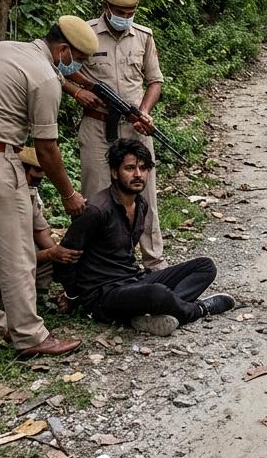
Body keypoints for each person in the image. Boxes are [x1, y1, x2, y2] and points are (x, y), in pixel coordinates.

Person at [0, 16, 96, 357]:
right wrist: (69, 194)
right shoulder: (45, 77)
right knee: (17, 254)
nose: (75, 68)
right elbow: (46, 148)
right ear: (62, 49)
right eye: (77, 60)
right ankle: (30, 336)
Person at [56, 139, 236, 336]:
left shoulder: (140, 204)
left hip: (134, 281)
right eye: (130, 168)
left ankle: (156, 311)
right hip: (103, 294)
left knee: (205, 266)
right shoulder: (97, 210)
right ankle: (197, 310)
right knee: (156, 292)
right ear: (115, 172)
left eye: (143, 168)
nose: (138, 175)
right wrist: (73, 295)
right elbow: (64, 256)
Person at [64, 0, 167, 269]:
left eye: (130, 11)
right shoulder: (85, 34)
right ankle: (93, 263)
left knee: (144, 192)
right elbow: (59, 69)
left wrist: (145, 111)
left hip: (134, 126)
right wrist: (77, 91)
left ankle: (153, 261)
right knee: (95, 195)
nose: (125, 16)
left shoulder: (144, 37)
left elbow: (155, 81)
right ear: (106, 7)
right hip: (97, 127)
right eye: (119, 11)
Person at [16, 147, 82, 306]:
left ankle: (39, 298)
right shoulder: (7, 196)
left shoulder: (30, 193)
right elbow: (14, 254)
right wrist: (50, 254)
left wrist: (62, 255)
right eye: (34, 178)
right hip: (8, 257)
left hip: (25, 252)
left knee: (48, 252)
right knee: (42, 253)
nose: (36, 183)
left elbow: (41, 232)